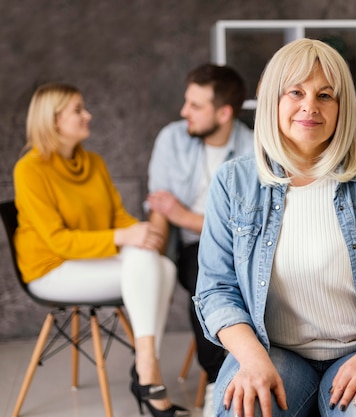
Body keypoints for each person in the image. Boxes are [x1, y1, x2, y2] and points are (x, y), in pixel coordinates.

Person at [193, 38, 356, 417]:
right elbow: (216, 291)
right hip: (274, 350)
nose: (310, 106)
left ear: (342, 108)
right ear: (273, 99)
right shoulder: (233, 182)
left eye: (326, 95)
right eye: (296, 92)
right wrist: (252, 360)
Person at [13, 83, 190, 417]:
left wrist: (141, 233)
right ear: (53, 122)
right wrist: (125, 238)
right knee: (148, 263)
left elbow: (117, 217)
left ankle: (144, 364)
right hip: (51, 269)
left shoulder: (93, 162)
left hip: (93, 259)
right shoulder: (29, 170)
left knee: (162, 266)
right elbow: (59, 241)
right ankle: (147, 371)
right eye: (78, 110)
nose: (88, 115)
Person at [146, 63, 254, 416]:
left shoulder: (253, 148)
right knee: (203, 280)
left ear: (223, 113)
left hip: (246, 247)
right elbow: (161, 207)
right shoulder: (172, 138)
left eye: (195, 106)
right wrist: (154, 251)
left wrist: (184, 215)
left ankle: (251, 372)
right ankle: (215, 382)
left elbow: (246, 223)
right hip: (191, 248)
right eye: (186, 102)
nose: (184, 112)